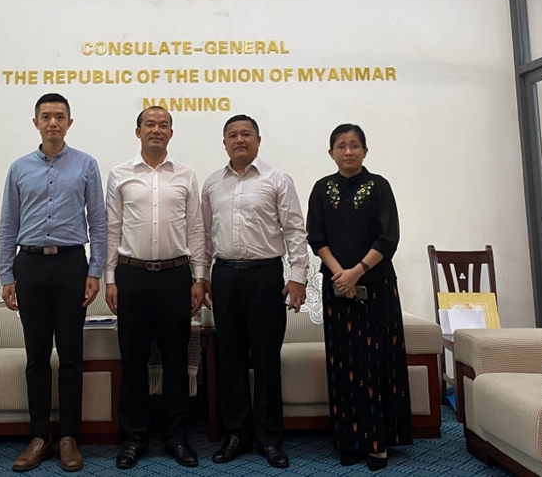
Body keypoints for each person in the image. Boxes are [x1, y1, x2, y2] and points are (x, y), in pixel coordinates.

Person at [0, 93, 106, 473]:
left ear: (69, 123)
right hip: (29, 265)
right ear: (36, 123)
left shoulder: (86, 165)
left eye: (60, 116)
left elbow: (99, 222)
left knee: (72, 355)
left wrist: (95, 271)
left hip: (71, 265)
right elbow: (8, 224)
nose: (53, 123)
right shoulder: (19, 168)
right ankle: (39, 436)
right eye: (46, 116)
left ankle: (69, 437)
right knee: (37, 356)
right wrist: (6, 274)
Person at [201, 114, 309, 469]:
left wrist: (298, 276)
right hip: (225, 276)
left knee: (265, 359)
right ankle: (236, 433)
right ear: (224, 143)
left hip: (265, 275)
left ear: (258, 140)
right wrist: (202, 276)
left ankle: (269, 437)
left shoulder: (277, 179)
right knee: (230, 358)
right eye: (232, 135)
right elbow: (204, 236)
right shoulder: (212, 183)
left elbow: (294, 230)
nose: (240, 140)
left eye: (246, 134)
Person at [305, 123, 413, 472]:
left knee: (376, 362)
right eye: (341, 145)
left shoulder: (379, 186)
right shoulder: (322, 189)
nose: (348, 151)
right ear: (331, 152)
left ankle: (378, 442)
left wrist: (357, 271)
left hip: (377, 286)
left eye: (354, 145)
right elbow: (316, 237)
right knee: (344, 363)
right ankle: (350, 440)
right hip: (337, 288)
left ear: (365, 151)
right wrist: (341, 274)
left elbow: (388, 237)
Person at [104, 106, 207, 469]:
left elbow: (196, 229)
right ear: (138, 132)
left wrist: (199, 278)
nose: (157, 130)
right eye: (150, 124)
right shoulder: (120, 174)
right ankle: (134, 438)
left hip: (175, 277)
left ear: (171, 133)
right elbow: (112, 229)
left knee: (176, 359)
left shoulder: (185, 175)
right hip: (131, 276)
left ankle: (176, 438)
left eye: (164, 125)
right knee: (133, 360)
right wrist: (110, 278)